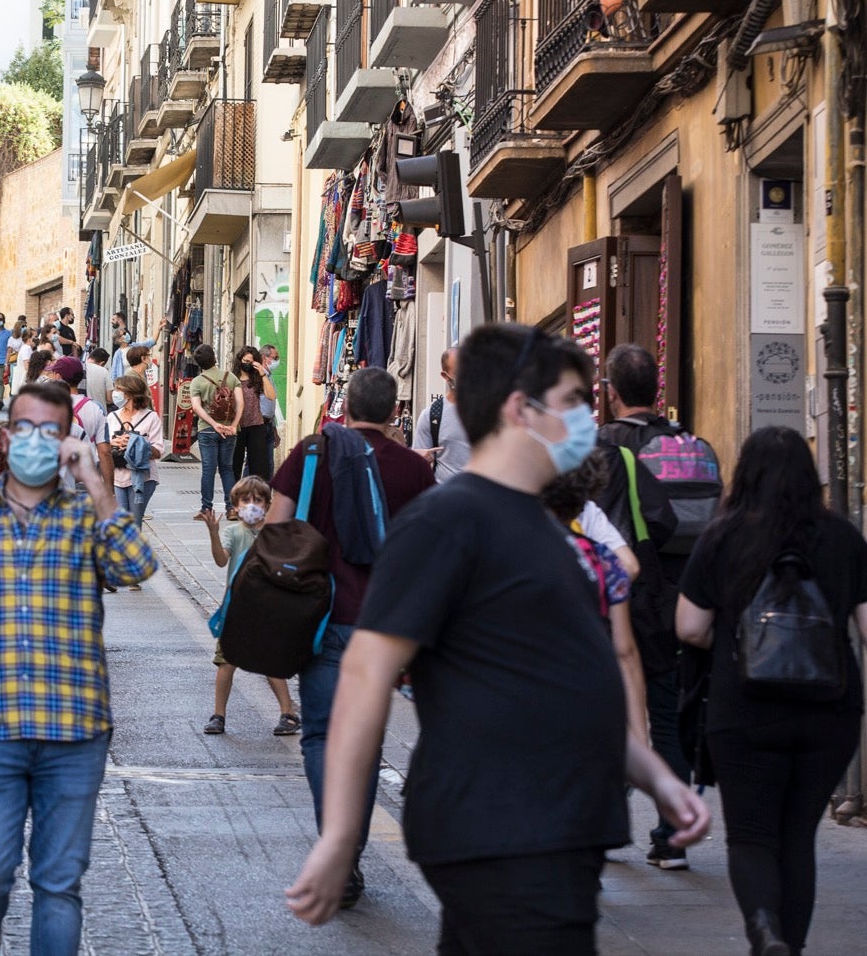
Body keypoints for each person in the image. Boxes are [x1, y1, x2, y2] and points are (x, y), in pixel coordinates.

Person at [286, 324, 711, 950]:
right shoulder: (446, 522)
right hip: (500, 829)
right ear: (520, 409)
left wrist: (658, 778)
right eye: (573, 402)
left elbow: (567, 688)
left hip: (562, 827)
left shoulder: (552, 527)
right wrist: (340, 838)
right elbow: (365, 675)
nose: (587, 420)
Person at [0, 380, 157, 956]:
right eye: (25, 428)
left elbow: (136, 568)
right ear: (6, 435)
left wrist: (95, 481)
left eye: (51, 432)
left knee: (58, 884)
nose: (36, 441)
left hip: (73, 731)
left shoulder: (87, 518)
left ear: (68, 441)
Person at [675, 426, 866, 956]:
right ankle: (789, 949)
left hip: (743, 710)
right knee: (797, 838)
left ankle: (764, 929)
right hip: (829, 711)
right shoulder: (844, 537)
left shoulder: (722, 536)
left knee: (751, 835)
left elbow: (689, 627)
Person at [268, 366, 435, 907]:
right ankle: (349, 856)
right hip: (383, 626)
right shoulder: (413, 469)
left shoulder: (311, 452)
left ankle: (336, 851)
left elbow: (274, 530)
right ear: (394, 412)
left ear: (344, 406)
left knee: (320, 736)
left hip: (320, 617)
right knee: (366, 743)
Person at [597, 341, 705, 871]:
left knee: (608, 715)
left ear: (611, 392)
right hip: (674, 601)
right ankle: (673, 837)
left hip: (618, 598)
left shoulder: (602, 446)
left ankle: (608, 825)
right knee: (666, 716)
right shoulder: (686, 442)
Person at [540, 451, 650, 746]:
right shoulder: (600, 552)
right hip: (589, 695)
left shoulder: (509, 539)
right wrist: (641, 741)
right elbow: (625, 652)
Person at [200, 477, 299, 737]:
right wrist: (213, 533)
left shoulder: (274, 533)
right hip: (236, 608)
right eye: (245, 500)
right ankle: (218, 715)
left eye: (258, 500)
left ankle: (288, 713)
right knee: (226, 662)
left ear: (267, 505)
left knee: (270, 662)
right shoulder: (233, 532)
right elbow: (221, 560)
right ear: (235, 505)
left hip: (266, 609)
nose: (252, 505)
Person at [188, 345, 243, 521]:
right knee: (227, 469)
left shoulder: (197, 382)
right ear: (214, 357)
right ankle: (232, 509)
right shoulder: (231, 377)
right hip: (230, 430)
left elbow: (196, 407)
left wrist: (213, 424)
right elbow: (240, 403)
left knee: (208, 469)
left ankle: (206, 509)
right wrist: (233, 425)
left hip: (207, 429)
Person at [44, 356, 114, 491]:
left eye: (52, 373)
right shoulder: (96, 407)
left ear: (58, 376)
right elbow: (104, 451)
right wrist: (110, 489)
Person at [107, 373, 163, 532]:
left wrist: (134, 443)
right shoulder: (112, 417)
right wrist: (112, 443)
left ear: (130, 393)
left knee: (134, 524)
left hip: (142, 478)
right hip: (117, 476)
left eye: (118, 390)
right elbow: (102, 446)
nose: (115, 393)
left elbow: (158, 451)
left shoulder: (151, 417)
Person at [412, 348, 471, 480]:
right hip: (446, 490)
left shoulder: (490, 410)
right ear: (445, 376)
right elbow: (418, 465)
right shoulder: (431, 416)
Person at [229, 346, 276, 483]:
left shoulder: (257, 378)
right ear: (240, 360)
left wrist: (262, 373)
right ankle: (234, 494)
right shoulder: (232, 379)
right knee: (234, 466)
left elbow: (271, 396)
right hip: (237, 427)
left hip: (256, 425)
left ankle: (257, 494)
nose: (247, 364)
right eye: (245, 361)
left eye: (251, 362)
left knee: (260, 468)